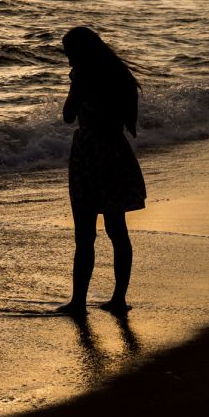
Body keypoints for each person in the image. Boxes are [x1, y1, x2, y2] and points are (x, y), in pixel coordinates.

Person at [57, 26, 145, 316]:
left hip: (90, 153)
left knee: (85, 234)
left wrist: (74, 85)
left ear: (80, 51)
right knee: (117, 230)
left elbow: (69, 116)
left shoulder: (83, 75)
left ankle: (78, 302)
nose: (68, 59)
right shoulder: (119, 75)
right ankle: (119, 298)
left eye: (70, 53)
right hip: (115, 151)